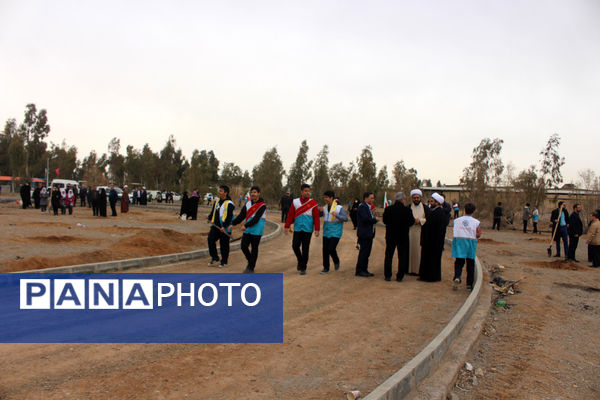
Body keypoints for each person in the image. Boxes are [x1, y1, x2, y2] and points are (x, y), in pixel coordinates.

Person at [284, 184, 320, 275]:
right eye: (305, 191)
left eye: (309, 191)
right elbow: (291, 215)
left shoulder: (313, 203)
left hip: (308, 229)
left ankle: (303, 267)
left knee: (305, 248)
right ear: (301, 191)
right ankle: (300, 260)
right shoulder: (295, 202)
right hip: (297, 228)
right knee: (295, 246)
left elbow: (316, 217)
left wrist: (317, 229)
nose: (308, 193)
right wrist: (286, 226)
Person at [232, 186, 267, 273]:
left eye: (255, 192)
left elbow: (256, 219)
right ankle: (251, 261)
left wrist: (246, 225)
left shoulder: (262, 206)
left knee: (254, 248)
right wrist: (233, 223)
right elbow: (241, 215)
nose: (253, 194)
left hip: (257, 229)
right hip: (248, 228)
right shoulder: (248, 203)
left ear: (258, 193)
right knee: (243, 246)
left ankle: (251, 267)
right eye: (252, 192)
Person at [383, 192, 415, 282]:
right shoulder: (407, 210)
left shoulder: (388, 209)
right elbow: (411, 222)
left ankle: (387, 275)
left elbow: (384, 221)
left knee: (389, 256)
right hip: (403, 237)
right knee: (402, 256)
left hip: (390, 236)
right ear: (402, 199)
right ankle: (400, 276)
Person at [451, 203, 482, 290]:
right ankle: (469, 284)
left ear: (464, 210)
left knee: (459, 262)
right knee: (470, 263)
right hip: (470, 242)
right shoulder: (476, 222)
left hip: (459, 241)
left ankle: (457, 276)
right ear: (474, 211)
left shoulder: (456, 220)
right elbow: (478, 233)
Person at [419, 193, 446, 282]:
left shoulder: (440, 213)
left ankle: (432, 277)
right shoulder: (431, 211)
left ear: (437, 203)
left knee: (433, 259)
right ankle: (424, 275)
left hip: (435, 241)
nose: (430, 202)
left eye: (432, 201)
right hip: (428, 239)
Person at [206, 185, 236, 267]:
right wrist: (209, 218)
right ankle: (215, 258)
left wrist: (224, 226)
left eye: (221, 191)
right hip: (215, 226)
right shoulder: (217, 201)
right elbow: (213, 212)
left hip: (225, 228)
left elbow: (229, 217)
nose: (219, 192)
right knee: (210, 239)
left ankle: (224, 261)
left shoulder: (230, 204)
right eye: (219, 190)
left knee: (224, 245)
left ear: (225, 193)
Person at [320, 190, 348, 274]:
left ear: (332, 198)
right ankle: (326, 268)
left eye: (327, 197)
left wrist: (337, 215)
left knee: (331, 248)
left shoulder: (339, 208)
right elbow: (319, 215)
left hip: (336, 232)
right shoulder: (324, 207)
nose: (325, 199)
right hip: (326, 231)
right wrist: (319, 211)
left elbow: (346, 219)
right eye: (324, 197)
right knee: (325, 250)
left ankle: (336, 261)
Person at [355, 192, 378, 277]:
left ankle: (364, 269)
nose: (373, 200)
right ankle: (360, 270)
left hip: (369, 234)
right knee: (363, 252)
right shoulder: (362, 207)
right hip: (364, 234)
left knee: (367, 253)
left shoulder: (367, 207)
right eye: (371, 198)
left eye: (373, 198)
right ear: (366, 198)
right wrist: (374, 220)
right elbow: (365, 219)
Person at [409, 189, 426, 276]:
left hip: (420, 232)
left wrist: (420, 220)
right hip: (410, 232)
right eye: (414, 198)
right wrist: (412, 221)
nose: (416, 199)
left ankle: (419, 270)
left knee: (419, 251)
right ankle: (410, 270)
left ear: (420, 198)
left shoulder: (425, 207)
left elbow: (428, 219)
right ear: (412, 198)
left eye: (417, 197)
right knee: (410, 251)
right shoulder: (408, 207)